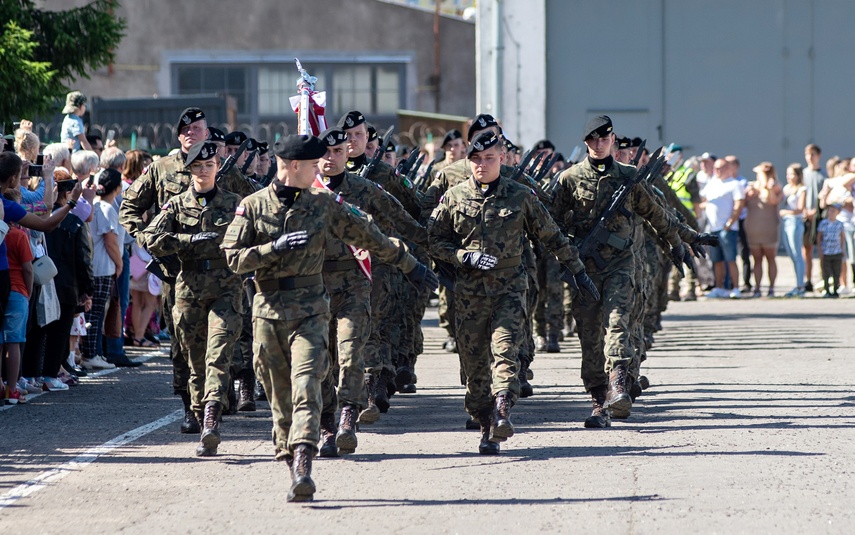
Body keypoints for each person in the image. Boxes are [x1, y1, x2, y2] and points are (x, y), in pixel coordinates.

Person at [221, 134, 436, 502]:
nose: (321, 168)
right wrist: (271, 249)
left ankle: (304, 462)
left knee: (307, 381)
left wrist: (410, 264)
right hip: (268, 312)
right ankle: (290, 454)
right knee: (279, 396)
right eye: (311, 164)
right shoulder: (253, 207)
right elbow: (233, 257)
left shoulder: (323, 204)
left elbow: (369, 234)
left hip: (311, 312)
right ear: (291, 166)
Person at [429, 130, 598, 454]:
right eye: (476, 159)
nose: (482, 164)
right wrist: (462, 256)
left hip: (509, 288)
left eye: (489, 158)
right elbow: (434, 240)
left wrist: (577, 270)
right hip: (469, 295)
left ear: (502, 159)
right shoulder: (454, 197)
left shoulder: (520, 196)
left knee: (505, 351)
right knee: (475, 367)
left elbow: (552, 236)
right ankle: (486, 422)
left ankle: (503, 410)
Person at [549, 116, 707, 427]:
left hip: (621, 266)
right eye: (592, 139)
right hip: (585, 270)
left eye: (604, 138)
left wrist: (687, 237)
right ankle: (598, 401)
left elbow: (658, 215)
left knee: (618, 323)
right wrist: (569, 250)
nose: (598, 144)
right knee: (590, 337)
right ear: (586, 143)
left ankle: (619, 386)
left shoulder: (630, 177)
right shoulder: (569, 179)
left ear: (613, 139)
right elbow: (551, 225)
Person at [120, 107, 255, 434]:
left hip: (223, 274)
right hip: (176, 273)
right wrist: (151, 243)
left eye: (197, 127)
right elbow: (130, 208)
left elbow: (256, 205)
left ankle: (218, 399)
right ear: (178, 134)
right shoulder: (161, 169)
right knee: (184, 346)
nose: (191, 132)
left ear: (208, 132)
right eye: (185, 128)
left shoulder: (225, 171)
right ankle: (191, 407)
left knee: (222, 340)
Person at [311, 127, 429, 455]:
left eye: (337, 152)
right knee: (322, 362)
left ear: (346, 153)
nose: (331, 158)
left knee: (351, 354)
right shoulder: (305, 193)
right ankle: (327, 426)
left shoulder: (365, 189)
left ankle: (349, 416)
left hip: (354, 285)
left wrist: (436, 253)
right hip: (315, 290)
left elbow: (404, 221)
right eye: (325, 152)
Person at [143, 141, 242, 456]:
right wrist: (185, 240)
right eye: (197, 166)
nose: (203, 171)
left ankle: (212, 414)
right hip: (189, 289)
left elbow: (255, 236)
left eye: (208, 165)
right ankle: (202, 421)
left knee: (219, 351)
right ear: (189, 170)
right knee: (195, 360)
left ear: (216, 168)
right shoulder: (175, 205)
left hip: (226, 287)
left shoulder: (234, 203)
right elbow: (150, 237)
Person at [700, 158, 745, 298]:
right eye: (715, 168)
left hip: (727, 229)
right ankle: (719, 287)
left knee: (730, 259)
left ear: (728, 169)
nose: (717, 171)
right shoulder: (712, 183)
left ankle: (735, 287)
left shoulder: (734, 184)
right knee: (716, 260)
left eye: (720, 168)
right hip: (713, 228)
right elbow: (703, 200)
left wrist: (729, 223)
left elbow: (739, 205)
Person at [744, 162, 782, 297]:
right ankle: (757, 287)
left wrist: (769, 188)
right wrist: (749, 192)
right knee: (757, 259)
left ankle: (771, 288)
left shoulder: (776, 186)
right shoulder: (752, 187)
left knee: (770, 258)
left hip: (769, 227)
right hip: (753, 227)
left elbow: (774, 201)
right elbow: (744, 202)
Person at [780, 163, 807, 297]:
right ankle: (797, 284)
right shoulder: (786, 188)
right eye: (788, 174)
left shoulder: (802, 189)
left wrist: (786, 212)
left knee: (797, 254)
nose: (789, 177)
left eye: (792, 174)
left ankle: (801, 285)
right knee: (791, 254)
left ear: (798, 175)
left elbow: (800, 209)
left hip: (795, 222)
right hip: (786, 223)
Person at [803, 144, 827, 292]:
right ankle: (808, 279)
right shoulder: (803, 174)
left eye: (812, 154)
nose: (809, 157)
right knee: (806, 250)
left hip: (820, 216)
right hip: (805, 217)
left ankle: (824, 279)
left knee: (822, 249)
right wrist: (805, 210)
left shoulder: (824, 175)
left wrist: (816, 210)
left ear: (818, 155)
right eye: (807, 154)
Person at [817, 203, 845, 297]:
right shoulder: (823, 223)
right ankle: (827, 290)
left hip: (836, 251)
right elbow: (819, 237)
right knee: (826, 272)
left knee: (836, 272)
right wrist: (820, 251)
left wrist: (842, 249)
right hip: (826, 251)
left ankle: (836, 290)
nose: (831, 212)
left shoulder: (839, 224)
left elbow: (842, 237)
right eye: (830, 210)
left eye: (834, 210)